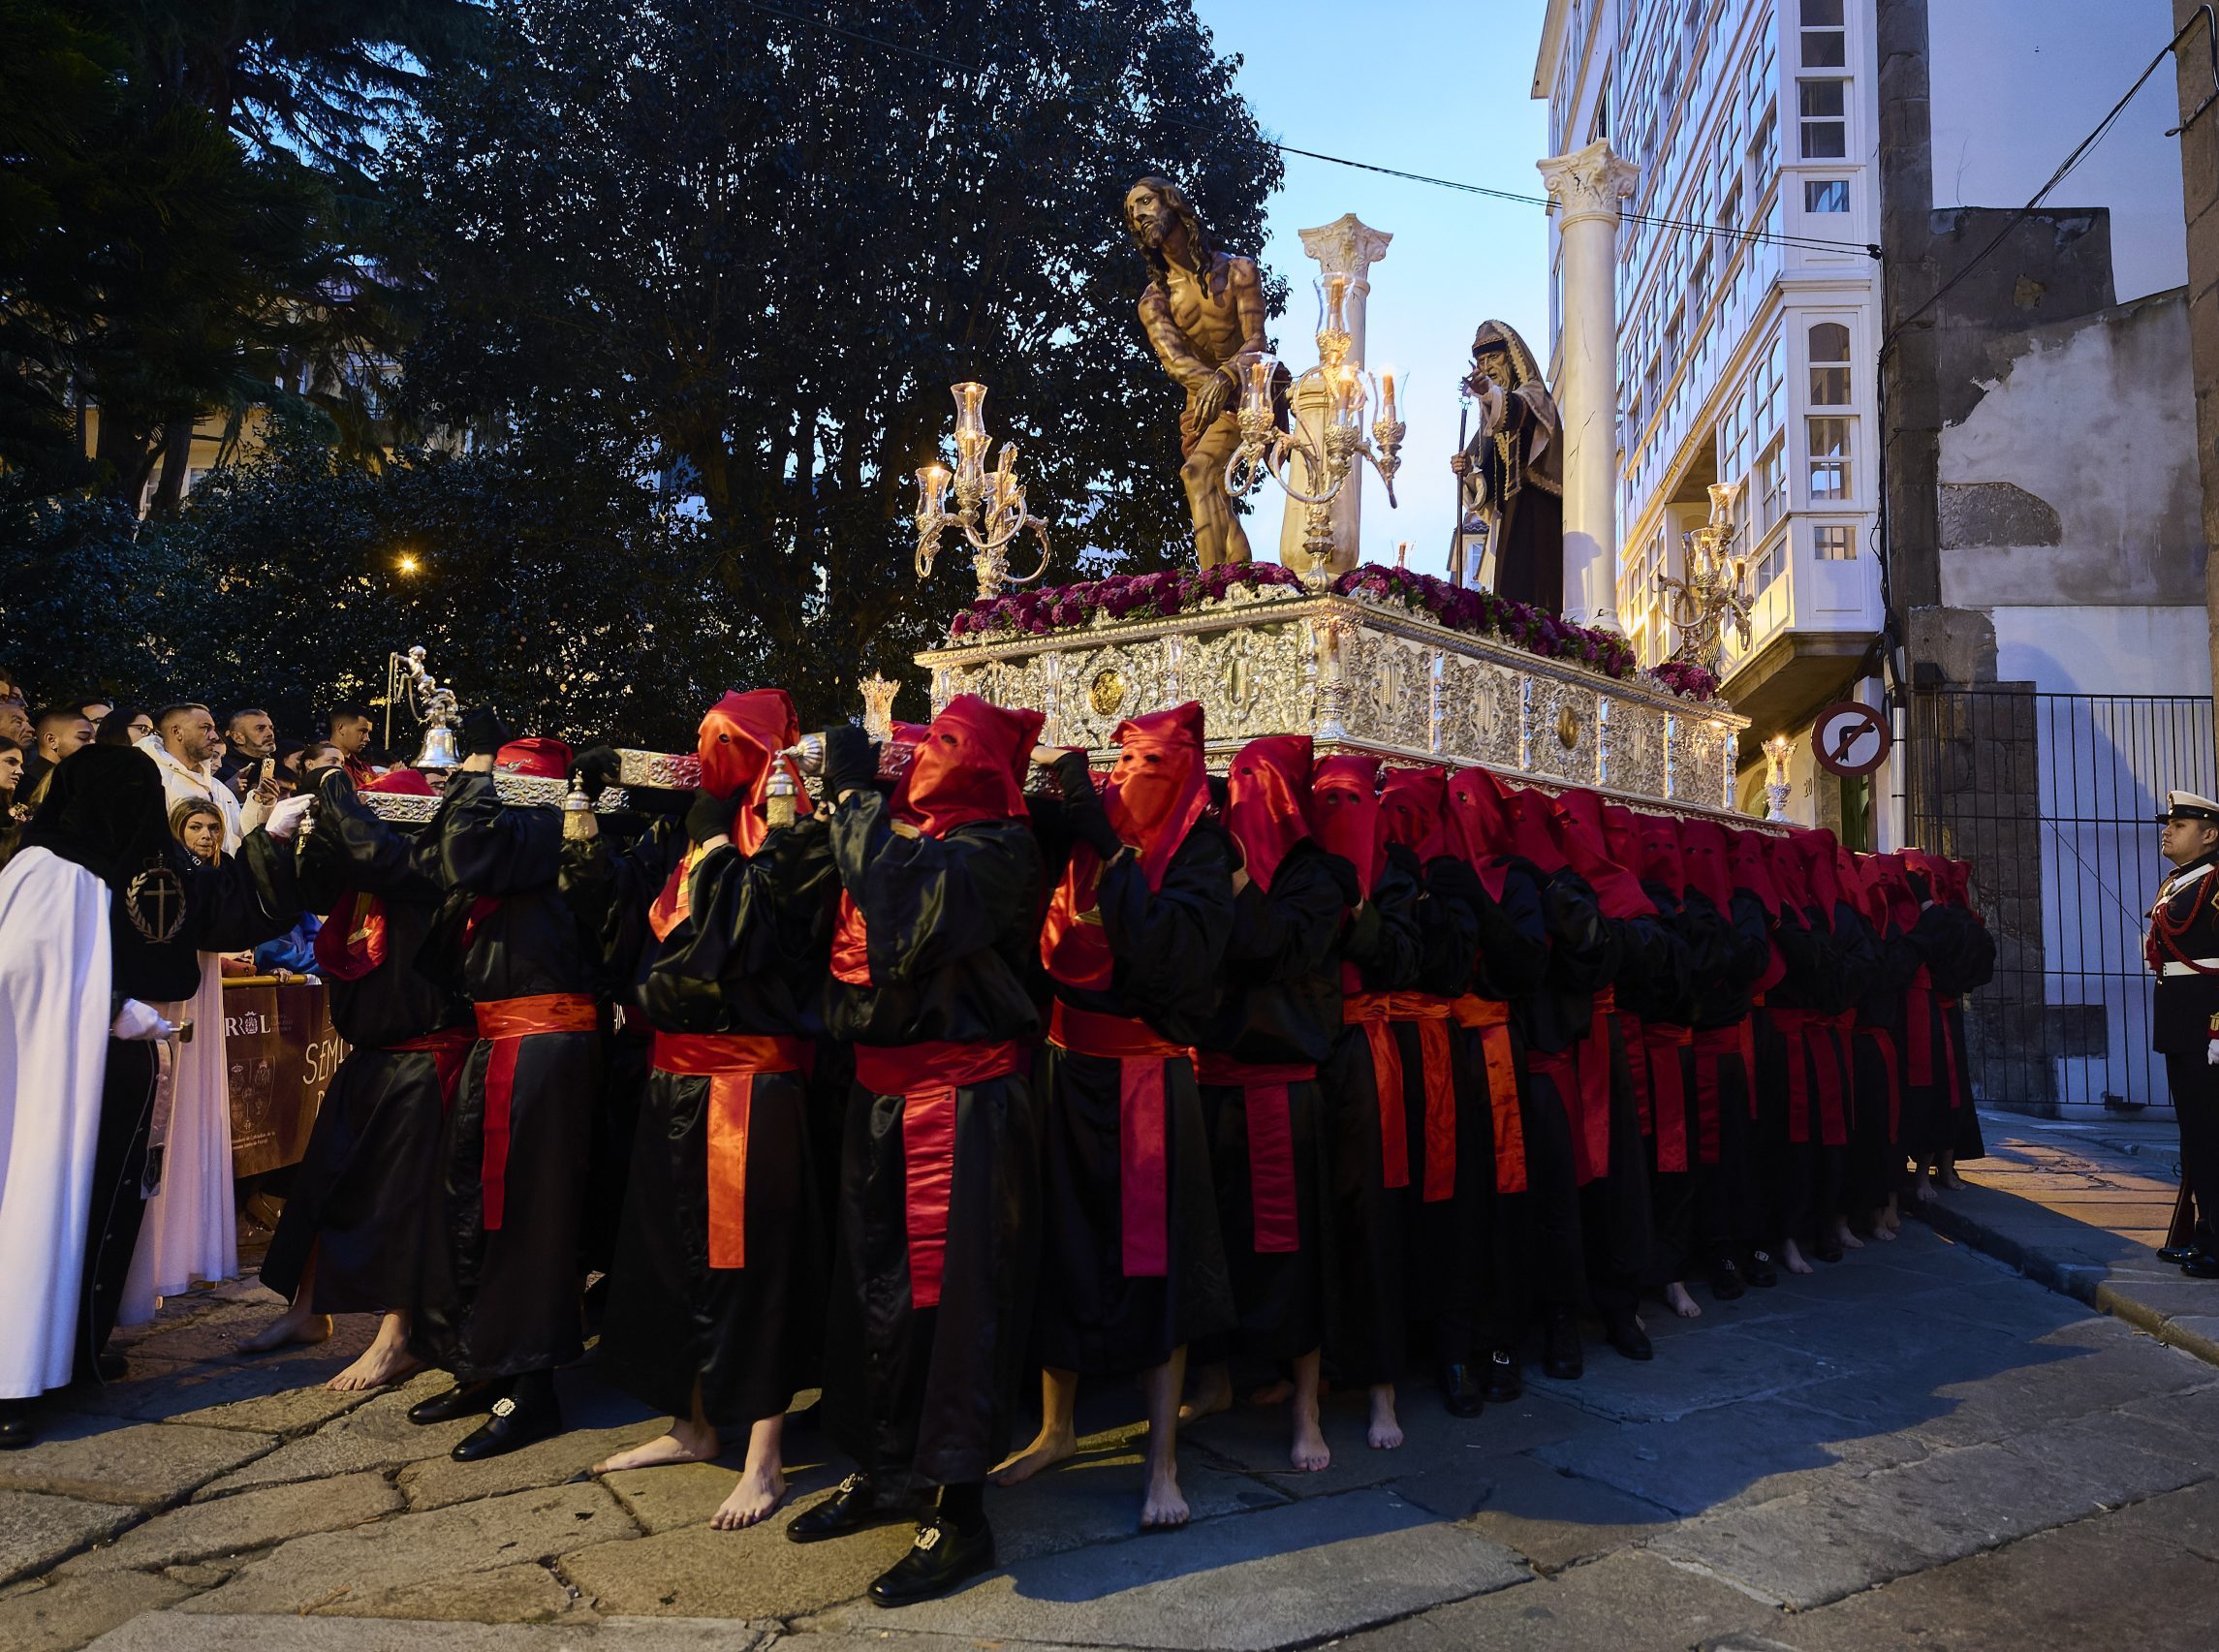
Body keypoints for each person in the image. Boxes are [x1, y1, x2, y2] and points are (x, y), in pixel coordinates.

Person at [797, 695, 1046, 1607]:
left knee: (956, 1309)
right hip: (881, 1094)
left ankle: (959, 1509)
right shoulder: (904, 830)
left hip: (961, 1102)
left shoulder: (999, 848)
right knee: (874, 1295)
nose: (924, 756)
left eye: (944, 741)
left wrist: (857, 797)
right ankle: (885, 1468)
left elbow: (907, 902)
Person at [583, 690, 840, 1534]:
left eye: (718, 739)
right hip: (675, 1076)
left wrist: (710, 842)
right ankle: (691, 1424)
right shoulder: (705, 825)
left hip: (749, 1082)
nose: (703, 750)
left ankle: (763, 1451)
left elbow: (746, 938)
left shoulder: (792, 829)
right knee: (670, 1253)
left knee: (754, 1261)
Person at [0, 746, 307, 1448]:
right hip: (52, 1085)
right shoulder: (46, 868)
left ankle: (73, 1345)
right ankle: (10, 1375)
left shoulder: (127, 869)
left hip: (119, 1070)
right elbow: (18, 974)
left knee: (107, 1209)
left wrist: (272, 839)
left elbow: (216, 912)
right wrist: (110, 1006)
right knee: (43, 1209)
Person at [999, 701, 1235, 1532]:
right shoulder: (1083, 831)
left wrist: (1109, 843)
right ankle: (1057, 1427)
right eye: (1122, 761)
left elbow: (1172, 952)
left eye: (1150, 765)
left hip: (1148, 1075)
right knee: (1060, 1244)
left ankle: (1162, 1458)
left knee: (1155, 1265)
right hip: (1069, 1064)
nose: (1130, 778)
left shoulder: (1204, 852)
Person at [406, 716, 604, 1460]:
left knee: (528, 1217)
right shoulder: (510, 840)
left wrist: (479, 780)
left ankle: (532, 1384)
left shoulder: (546, 835)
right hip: (500, 1039)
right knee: (473, 1205)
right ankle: (482, 1362)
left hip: (543, 1043)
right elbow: (438, 863)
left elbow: (465, 847)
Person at [243, 764, 476, 1387]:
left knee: (405, 1201)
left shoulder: (429, 868)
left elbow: (375, 856)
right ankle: (306, 1311)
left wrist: (339, 794)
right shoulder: (365, 881)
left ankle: (398, 1335)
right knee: (323, 1183)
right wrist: (277, 835)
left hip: (427, 1056)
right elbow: (297, 893)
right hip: (372, 1056)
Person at [1179, 734, 1349, 1471]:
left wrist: (1243, 884)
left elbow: (1274, 950)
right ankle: (1216, 1377)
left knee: (1293, 1255)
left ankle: (1307, 1403)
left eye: (1258, 780)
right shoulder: (1216, 858)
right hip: (1213, 1079)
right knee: (1210, 1246)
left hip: (1281, 1090)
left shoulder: (1316, 876)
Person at [1310, 751, 1422, 1449]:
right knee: (1313, 1218)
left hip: (1370, 1054)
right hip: (1307, 1050)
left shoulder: (1397, 870)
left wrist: (1360, 912)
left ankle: (1382, 1389)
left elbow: (1406, 956)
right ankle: (1309, 1377)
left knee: (1373, 1221)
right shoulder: (1300, 863)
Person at [2148, 791, 2219, 1279]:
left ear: (2210, 835)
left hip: (2209, 1023)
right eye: (2170, 823)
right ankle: (2203, 1232)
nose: (2169, 830)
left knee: (2213, 1133)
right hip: (2181, 1021)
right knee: (2196, 1133)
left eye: (2182, 824)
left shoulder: (2215, 879)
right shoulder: (2181, 880)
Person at [141, 704, 242, 853]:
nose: (214, 736)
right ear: (177, 731)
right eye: (205, 728)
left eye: (213, 729)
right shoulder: (150, 779)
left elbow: (236, 835)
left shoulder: (216, 785)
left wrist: (259, 804)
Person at [20, 706, 95, 794]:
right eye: (83, 737)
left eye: (94, 739)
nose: (93, 743)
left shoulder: (76, 778)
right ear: (51, 740)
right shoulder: (26, 781)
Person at [328, 706, 376, 787]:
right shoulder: (322, 764)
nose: (367, 739)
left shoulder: (365, 768)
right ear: (341, 728)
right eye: (362, 731)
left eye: (368, 733)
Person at [170, 799, 225, 864]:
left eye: (213, 828)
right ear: (178, 830)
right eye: (195, 827)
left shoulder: (229, 866)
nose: (207, 836)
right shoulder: (168, 868)